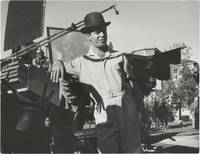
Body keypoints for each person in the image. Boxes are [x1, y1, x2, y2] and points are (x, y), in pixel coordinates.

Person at [51, 12, 145, 153]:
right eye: (97, 32)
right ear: (88, 36)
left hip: (128, 111)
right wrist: (58, 62)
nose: (102, 35)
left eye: (104, 30)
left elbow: (133, 86)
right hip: (104, 115)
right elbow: (63, 79)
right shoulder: (81, 62)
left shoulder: (119, 56)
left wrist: (143, 111)